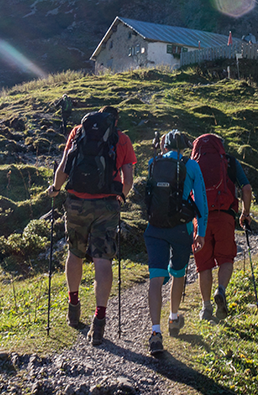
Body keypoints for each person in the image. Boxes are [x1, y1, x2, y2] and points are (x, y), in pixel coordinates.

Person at [47, 105, 135, 346]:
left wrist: (55, 189)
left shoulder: (78, 131)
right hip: (106, 205)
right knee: (102, 260)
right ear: (115, 121)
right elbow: (128, 178)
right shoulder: (123, 139)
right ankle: (99, 321)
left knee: (74, 252)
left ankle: (73, 307)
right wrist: (121, 197)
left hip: (76, 202)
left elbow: (65, 166)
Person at [144, 130, 208, 356]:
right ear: (183, 146)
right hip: (181, 228)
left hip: (155, 228)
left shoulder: (154, 162)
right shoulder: (191, 166)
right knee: (178, 272)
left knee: (156, 276)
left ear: (165, 146)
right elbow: (201, 200)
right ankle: (173, 318)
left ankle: (155, 332)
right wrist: (201, 231)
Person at [190, 133, 253, 321]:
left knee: (204, 264)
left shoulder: (192, 164)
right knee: (226, 258)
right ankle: (221, 289)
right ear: (220, 146)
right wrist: (245, 213)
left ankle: (206, 308)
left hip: (200, 219)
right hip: (224, 215)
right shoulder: (229, 162)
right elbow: (246, 188)